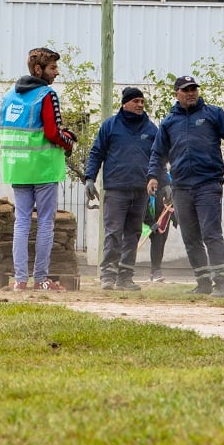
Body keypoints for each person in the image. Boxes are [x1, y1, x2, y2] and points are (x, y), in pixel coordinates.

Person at [146, 75, 224, 297]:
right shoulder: (169, 122)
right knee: (190, 237)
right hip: (180, 187)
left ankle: (222, 284)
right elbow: (157, 153)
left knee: (211, 233)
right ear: (176, 94)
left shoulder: (213, 114)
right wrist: (153, 176)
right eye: (186, 90)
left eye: (194, 89)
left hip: (208, 184)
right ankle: (202, 284)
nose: (191, 93)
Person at [0, 46, 78, 291]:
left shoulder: (9, 94)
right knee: (45, 222)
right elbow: (53, 132)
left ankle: (20, 280)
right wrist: (69, 141)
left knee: (21, 222)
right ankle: (41, 279)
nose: (57, 73)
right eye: (53, 67)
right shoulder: (46, 94)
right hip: (43, 167)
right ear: (38, 69)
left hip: (17, 167)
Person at [84, 86, 159, 291]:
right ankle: (108, 275)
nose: (140, 105)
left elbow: (159, 158)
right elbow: (96, 152)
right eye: (136, 101)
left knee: (133, 234)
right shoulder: (110, 126)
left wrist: (165, 182)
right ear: (125, 103)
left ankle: (125, 278)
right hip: (116, 189)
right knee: (113, 233)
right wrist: (89, 178)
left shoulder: (151, 130)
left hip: (141, 191)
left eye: (142, 102)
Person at [141, 185, 174, 282]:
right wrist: (151, 222)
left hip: (164, 217)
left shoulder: (167, 180)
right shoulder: (148, 182)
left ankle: (154, 272)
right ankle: (156, 271)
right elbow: (144, 205)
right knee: (157, 243)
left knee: (161, 243)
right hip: (151, 218)